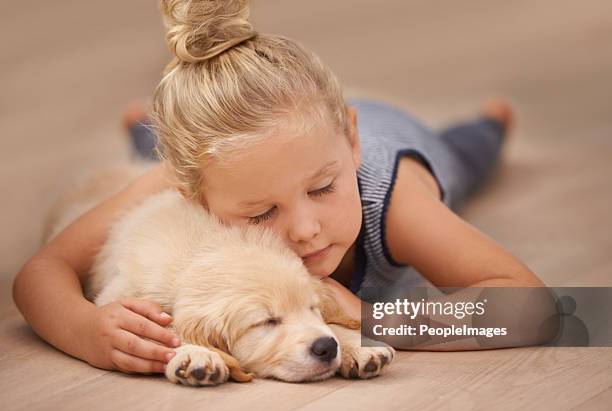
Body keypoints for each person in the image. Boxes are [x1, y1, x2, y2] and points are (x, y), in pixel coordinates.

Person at [12, 0, 544, 376]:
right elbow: (41, 273)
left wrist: (365, 316)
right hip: (280, 140)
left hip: (404, 138)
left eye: (323, 189)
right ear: (191, 196)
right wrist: (88, 331)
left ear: (351, 144)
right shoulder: (176, 182)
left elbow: (533, 308)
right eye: (262, 212)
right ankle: (142, 127)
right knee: (153, 147)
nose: (307, 228)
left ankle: (491, 121)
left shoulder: (393, 199)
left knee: (466, 155)